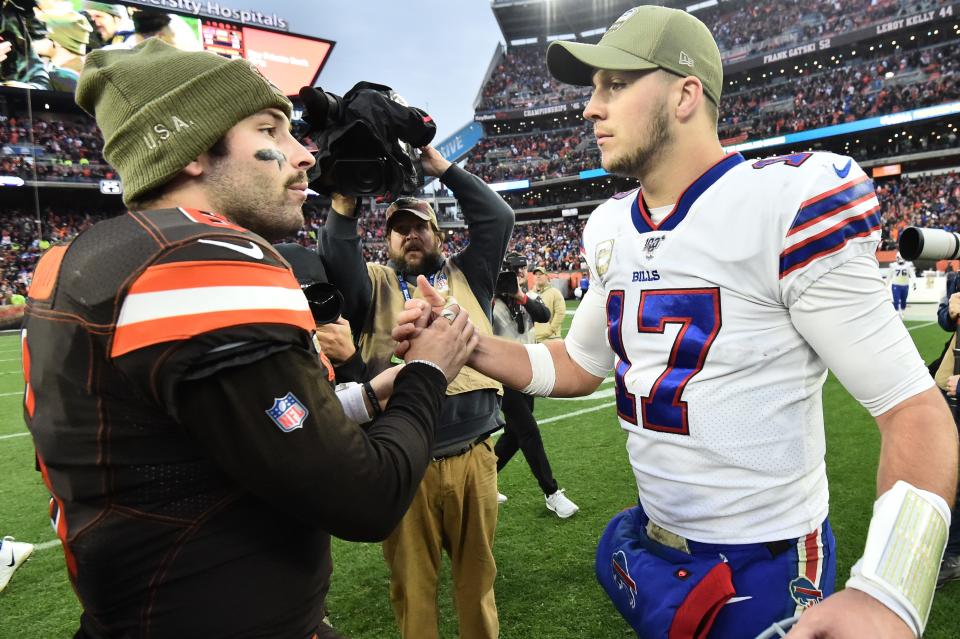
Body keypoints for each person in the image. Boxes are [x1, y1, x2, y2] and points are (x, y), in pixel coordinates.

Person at [393, 6, 958, 639]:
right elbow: (579, 365)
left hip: (766, 556)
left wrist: (890, 590)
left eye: (616, 84)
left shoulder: (784, 204)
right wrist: (466, 343)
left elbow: (913, 410)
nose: (590, 107)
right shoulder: (609, 226)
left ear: (686, 94)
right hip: (657, 547)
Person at [22, 39, 477, 639]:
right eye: (271, 129)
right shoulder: (202, 258)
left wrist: (368, 396)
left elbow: (213, 441)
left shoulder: (86, 255)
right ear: (187, 149)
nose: (304, 155)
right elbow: (366, 497)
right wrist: (427, 373)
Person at [320, 158, 513, 639]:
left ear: (438, 235)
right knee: (413, 586)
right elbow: (337, 256)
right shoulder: (371, 284)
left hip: (475, 455)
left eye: (420, 228)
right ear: (385, 242)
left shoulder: (471, 273)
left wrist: (438, 165)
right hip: (407, 462)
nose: (410, 236)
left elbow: (498, 218)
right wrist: (344, 203)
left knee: (478, 581)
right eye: (399, 230)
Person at [492, 253, 578, 518]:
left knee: (514, 436)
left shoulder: (527, 299)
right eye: (512, 272)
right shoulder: (490, 303)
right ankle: (551, 493)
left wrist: (520, 296)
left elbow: (543, 315)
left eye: (521, 271)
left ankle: (483, 481)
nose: (517, 276)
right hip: (504, 377)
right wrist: (497, 296)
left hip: (528, 374)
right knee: (528, 432)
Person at [532, 265, 565, 342]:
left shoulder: (555, 292)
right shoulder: (532, 294)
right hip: (534, 339)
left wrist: (550, 330)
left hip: (551, 339)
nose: (538, 276)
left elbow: (560, 313)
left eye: (540, 274)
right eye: (536, 275)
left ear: (547, 277)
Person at [888, 254, 914, 319]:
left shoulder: (908, 265)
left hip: (905, 285)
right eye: (898, 258)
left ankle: (902, 311)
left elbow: (912, 274)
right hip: (896, 285)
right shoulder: (893, 265)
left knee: (903, 301)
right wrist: (886, 284)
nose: (899, 260)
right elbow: (889, 276)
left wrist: (914, 282)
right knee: (896, 300)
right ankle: (896, 313)